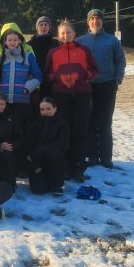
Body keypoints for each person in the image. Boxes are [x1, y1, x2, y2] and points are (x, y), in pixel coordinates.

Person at [44, 20, 99, 181]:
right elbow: (47, 73)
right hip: (61, 95)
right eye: (63, 33)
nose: (66, 35)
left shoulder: (84, 50)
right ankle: (65, 166)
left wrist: (86, 77)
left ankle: (78, 167)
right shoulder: (53, 52)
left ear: (74, 34)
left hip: (82, 94)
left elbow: (95, 69)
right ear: (58, 35)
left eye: (69, 32)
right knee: (64, 131)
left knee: (80, 131)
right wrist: (55, 77)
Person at [76, 9, 126, 169]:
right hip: (87, 86)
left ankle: (106, 157)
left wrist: (117, 79)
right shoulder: (80, 41)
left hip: (107, 85)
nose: (95, 22)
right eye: (92, 19)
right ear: (88, 22)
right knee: (89, 121)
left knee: (105, 121)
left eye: (97, 19)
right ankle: (92, 156)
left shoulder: (112, 40)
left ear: (102, 21)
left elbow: (120, 60)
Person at [0, 28, 42, 132]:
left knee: (21, 129)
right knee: (6, 130)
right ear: (5, 42)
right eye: (9, 40)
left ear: (19, 41)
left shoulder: (28, 56)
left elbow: (38, 76)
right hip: (4, 101)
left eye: (15, 40)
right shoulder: (1, 58)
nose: (12, 42)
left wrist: (28, 88)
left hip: (22, 100)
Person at [26, 97, 70, 195]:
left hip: (54, 161)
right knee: (38, 189)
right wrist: (35, 165)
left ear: (55, 108)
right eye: (42, 109)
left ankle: (57, 184)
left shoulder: (63, 124)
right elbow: (29, 145)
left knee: (55, 154)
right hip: (37, 161)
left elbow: (62, 144)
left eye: (48, 109)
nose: (45, 112)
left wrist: (40, 152)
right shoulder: (34, 124)